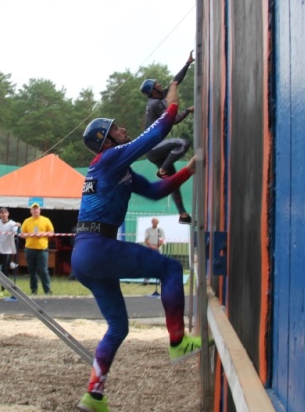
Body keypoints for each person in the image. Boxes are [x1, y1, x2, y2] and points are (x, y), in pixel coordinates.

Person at [72, 80, 201, 412]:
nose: (123, 128)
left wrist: (188, 169)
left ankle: (94, 395)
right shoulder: (111, 158)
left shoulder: (118, 170)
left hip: (85, 254)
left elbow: (157, 192)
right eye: (116, 128)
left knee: (118, 327)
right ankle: (178, 341)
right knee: (171, 267)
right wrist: (173, 87)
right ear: (106, 139)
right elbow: (161, 128)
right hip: (98, 246)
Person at [140, 51, 195, 224]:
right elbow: (175, 119)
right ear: (153, 90)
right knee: (183, 143)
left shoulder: (159, 96)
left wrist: (187, 63)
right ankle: (162, 169)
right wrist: (187, 110)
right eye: (157, 84)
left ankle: (183, 215)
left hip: (155, 149)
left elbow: (174, 82)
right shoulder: (155, 103)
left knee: (173, 182)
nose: (160, 84)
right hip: (152, 147)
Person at [20, 203, 54, 295]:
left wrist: (42, 234)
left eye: (37, 209)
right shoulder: (27, 221)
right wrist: (30, 234)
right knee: (32, 271)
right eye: (33, 209)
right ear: (31, 211)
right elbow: (22, 234)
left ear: (40, 210)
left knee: (43, 270)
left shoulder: (46, 220)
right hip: (30, 249)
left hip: (42, 249)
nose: (35, 211)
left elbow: (51, 233)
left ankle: (47, 290)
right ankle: (33, 290)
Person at [143, 217, 166, 296]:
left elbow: (162, 240)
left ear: (157, 223)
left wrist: (157, 246)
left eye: (155, 222)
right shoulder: (148, 230)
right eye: (153, 222)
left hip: (158, 249)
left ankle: (160, 281)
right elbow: (146, 240)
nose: (154, 223)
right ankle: (146, 280)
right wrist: (151, 247)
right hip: (149, 249)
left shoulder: (160, 230)